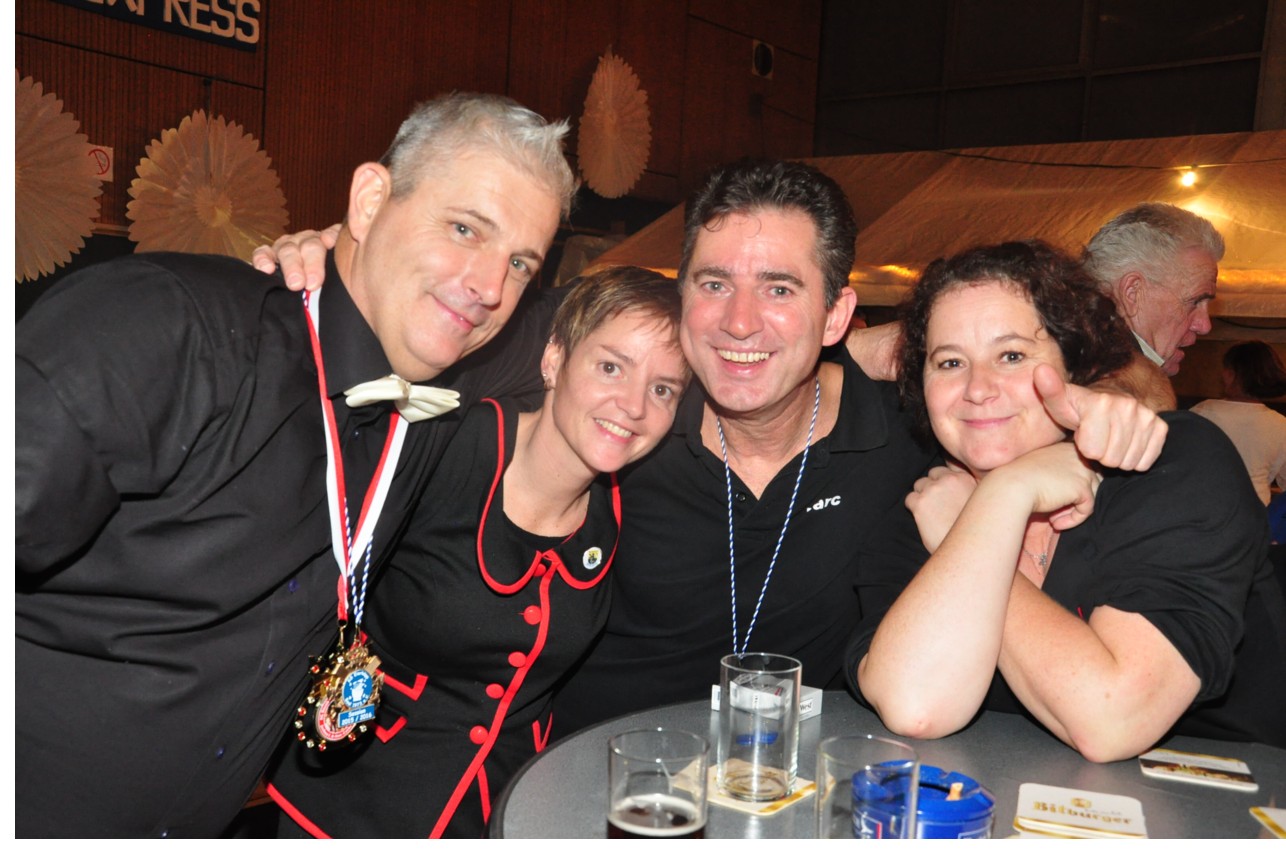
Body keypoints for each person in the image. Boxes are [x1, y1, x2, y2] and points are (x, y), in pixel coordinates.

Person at [258, 160, 1166, 742]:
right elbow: (428, 320)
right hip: (589, 794)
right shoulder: (623, 408)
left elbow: (1006, 388)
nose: (739, 322)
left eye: (780, 289)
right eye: (714, 283)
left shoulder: (909, 435)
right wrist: (336, 258)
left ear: (837, 316)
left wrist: (1093, 414)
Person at [16, 92, 576, 837]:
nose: (489, 287)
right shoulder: (167, 327)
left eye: (520, 263)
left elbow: (623, 331)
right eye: (464, 228)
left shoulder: (447, 377)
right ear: (370, 200)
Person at [265, 267, 688, 838]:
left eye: (663, 389)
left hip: (508, 815)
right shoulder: (441, 441)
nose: (634, 405)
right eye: (611, 367)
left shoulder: (626, 504)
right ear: (554, 359)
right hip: (342, 807)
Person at [848, 241, 1286, 760]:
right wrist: (991, 512)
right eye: (949, 362)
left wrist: (996, 500)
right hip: (1014, 798)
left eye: (1012, 355)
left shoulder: (1171, 462)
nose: (977, 388)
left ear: (1076, 368)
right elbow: (916, 705)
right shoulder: (923, 505)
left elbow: (1113, 719)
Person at [1082, 202, 1224, 378]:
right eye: (1195, 302)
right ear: (1133, 293)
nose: (1205, 326)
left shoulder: (1077, 361)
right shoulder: (1106, 383)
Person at [1191, 340, 1286, 506]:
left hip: (1205, 507)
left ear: (1231, 374)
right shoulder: (1280, 424)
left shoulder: (1202, 412)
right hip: (1255, 512)